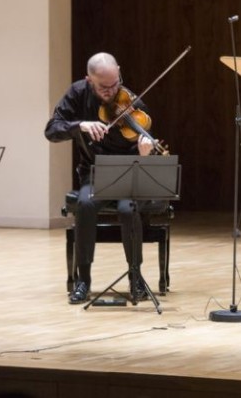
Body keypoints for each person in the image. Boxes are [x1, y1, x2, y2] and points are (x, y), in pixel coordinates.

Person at [45, 52, 163, 304]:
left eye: (115, 84)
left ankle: (136, 277)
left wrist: (145, 152)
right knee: (85, 204)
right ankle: (83, 280)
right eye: (103, 87)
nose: (111, 91)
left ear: (119, 72)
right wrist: (80, 126)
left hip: (129, 175)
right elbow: (51, 130)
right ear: (89, 80)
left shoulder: (132, 103)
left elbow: (148, 146)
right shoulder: (77, 93)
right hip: (94, 175)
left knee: (128, 209)